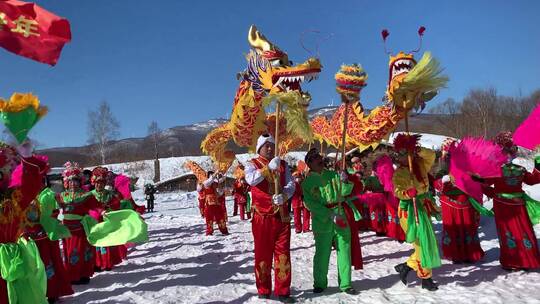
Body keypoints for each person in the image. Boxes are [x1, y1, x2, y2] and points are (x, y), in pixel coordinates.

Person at [476, 132, 540, 270]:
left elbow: (484, 184)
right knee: (522, 230)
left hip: (503, 206)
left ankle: (512, 262)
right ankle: (526, 259)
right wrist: (538, 167)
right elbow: (533, 179)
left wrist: (493, 192)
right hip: (517, 205)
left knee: (507, 232)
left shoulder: (496, 171)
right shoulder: (519, 170)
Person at [302, 148, 360, 295]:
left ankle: (346, 284)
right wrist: (329, 214)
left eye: (319, 157)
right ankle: (320, 283)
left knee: (344, 251)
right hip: (322, 221)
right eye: (315, 158)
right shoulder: (307, 183)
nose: (319, 159)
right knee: (322, 253)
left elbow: (345, 192)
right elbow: (311, 204)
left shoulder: (334, 174)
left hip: (340, 216)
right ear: (309, 163)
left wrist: (345, 181)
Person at [244, 134, 295, 303]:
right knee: (262, 254)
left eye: (272, 145)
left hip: (281, 216)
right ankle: (264, 288)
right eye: (266, 145)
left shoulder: (283, 164)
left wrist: (285, 196)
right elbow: (251, 180)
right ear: (259, 148)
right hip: (262, 216)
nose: (269, 148)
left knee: (283, 255)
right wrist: (267, 169)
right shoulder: (251, 164)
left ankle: (283, 291)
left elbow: (291, 185)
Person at [22, 156, 74, 303]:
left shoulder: (48, 194)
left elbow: (55, 211)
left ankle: (51, 293)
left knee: (47, 265)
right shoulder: (21, 196)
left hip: (45, 237)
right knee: (34, 268)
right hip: (29, 239)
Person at [392, 134, 440, 291]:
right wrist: (407, 193)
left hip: (422, 205)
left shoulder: (420, 163)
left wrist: (418, 149)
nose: (402, 157)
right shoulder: (399, 173)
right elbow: (397, 190)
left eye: (406, 153)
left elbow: (432, 155)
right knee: (421, 244)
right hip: (409, 210)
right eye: (400, 155)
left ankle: (407, 267)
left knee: (426, 242)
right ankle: (425, 278)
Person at [436, 140, 489, 264]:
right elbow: (436, 184)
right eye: (448, 154)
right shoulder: (443, 170)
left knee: (467, 227)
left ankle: (470, 253)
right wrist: (442, 181)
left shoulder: (467, 167)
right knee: (453, 228)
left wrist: (477, 179)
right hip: (449, 203)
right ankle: (455, 254)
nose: (450, 157)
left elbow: (477, 184)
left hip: (465, 202)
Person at [57, 162, 101, 284]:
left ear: (80, 181)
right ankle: (72, 275)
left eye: (75, 181)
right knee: (70, 253)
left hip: (80, 228)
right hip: (66, 230)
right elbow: (54, 210)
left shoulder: (85, 195)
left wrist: (103, 212)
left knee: (82, 252)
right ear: (66, 182)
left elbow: (96, 206)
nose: (72, 184)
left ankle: (83, 275)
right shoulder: (62, 196)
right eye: (70, 181)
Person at [89, 167, 125, 271]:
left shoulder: (109, 194)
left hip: (105, 222)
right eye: (97, 182)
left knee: (105, 243)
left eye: (101, 183)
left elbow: (116, 205)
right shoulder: (90, 195)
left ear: (104, 184)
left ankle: (107, 262)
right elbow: (86, 207)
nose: (98, 185)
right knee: (95, 243)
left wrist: (108, 208)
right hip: (93, 223)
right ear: (93, 183)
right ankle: (96, 263)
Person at [202, 171, 229, 235]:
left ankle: (224, 230)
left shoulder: (215, 184)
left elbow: (218, 194)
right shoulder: (206, 183)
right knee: (209, 219)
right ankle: (209, 232)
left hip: (216, 203)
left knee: (221, 217)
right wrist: (215, 173)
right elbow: (211, 179)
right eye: (211, 175)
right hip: (209, 204)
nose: (213, 176)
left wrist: (221, 190)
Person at [348, 157, 370, 231]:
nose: (357, 163)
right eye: (354, 162)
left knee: (361, 210)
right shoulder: (350, 172)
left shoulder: (359, 169)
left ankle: (362, 225)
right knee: (354, 211)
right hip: (352, 195)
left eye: (357, 162)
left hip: (359, 194)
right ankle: (356, 225)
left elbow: (361, 178)